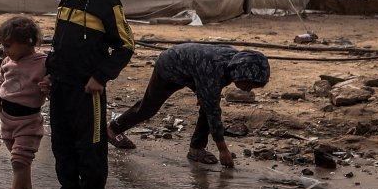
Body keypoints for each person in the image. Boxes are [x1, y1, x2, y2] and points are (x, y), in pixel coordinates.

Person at [40, 0, 135, 189]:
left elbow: (125, 46)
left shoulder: (108, 3)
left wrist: (101, 77)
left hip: (88, 92)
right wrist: (50, 74)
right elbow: (59, 43)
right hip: (61, 88)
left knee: (90, 150)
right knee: (62, 146)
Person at [107, 43, 270, 167]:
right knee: (149, 107)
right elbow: (214, 111)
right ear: (239, 73)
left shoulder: (234, 62)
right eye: (248, 85)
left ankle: (196, 148)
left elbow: (212, 80)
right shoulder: (214, 69)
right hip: (170, 66)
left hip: (193, 69)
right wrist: (223, 150)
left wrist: (204, 91)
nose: (248, 90)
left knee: (208, 105)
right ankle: (113, 129)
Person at [0, 15, 46, 189]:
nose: (5, 50)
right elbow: (0, 81)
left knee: (19, 162)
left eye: (9, 46)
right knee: (20, 160)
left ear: (28, 42)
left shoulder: (43, 63)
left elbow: (52, 86)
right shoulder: (7, 61)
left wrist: (49, 87)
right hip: (7, 120)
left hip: (28, 122)